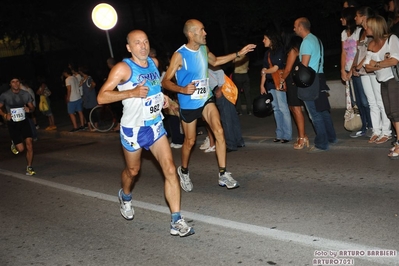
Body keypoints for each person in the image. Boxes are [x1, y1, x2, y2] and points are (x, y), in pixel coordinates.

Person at [97, 29, 194, 236]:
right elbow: (101, 97)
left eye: (146, 42)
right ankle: (125, 195)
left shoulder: (154, 63)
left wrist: (162, 100)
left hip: (155, 125)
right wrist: (131, 92)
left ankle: (176, 220)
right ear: (129, 48)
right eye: (137, 43)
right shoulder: (122, 68)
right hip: (132, 130)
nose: (143, 46)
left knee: (169, 169)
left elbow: (154, 88)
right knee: (133, 171)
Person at [161, 19, 256, 192]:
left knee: (219, 131)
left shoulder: (204, 50)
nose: (205, 33)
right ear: (191, 34)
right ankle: (183, 170)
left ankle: (223, 174)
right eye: (202, 30)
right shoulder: (180, 55)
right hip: (189, 103)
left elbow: (217, 61)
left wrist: (238, 53)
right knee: (189, 142)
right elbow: (166, 81)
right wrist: (182, 89)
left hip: (206, 98)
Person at [293, 17, 337, 152]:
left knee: (314, 113)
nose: (294, 29)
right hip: (320, 77)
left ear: (301, 27)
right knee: (322, 110)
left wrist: (296, 68)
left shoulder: (306, 42)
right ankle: (331, 137)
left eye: (295, 26)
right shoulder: (316, 39)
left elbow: (304, 64)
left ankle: (322, 143)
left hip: (310, 81)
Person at [354, 7, 391, 145]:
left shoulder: (378, 37)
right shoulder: (362, 33)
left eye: (357, 16)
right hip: (364, 71)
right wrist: (356, 66)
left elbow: (370, 57)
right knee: (371, 102)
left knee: (380, 101)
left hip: (375, 71)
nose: (354, 18)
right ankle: (376, 130)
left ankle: (386, 131)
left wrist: (362, 65)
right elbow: (360, 54)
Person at [364, 15, 399, 158]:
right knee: (390, 112)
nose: (365, 28)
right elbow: (367, 67)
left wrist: (376, 64)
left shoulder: (392, 39)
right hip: (382, 81)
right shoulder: (371, 44)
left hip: (393, 79)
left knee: (396, 112)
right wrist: (383, 62)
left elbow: (395, 61)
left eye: (368, 26)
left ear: (375, 27)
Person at [340, 7, 371, 138]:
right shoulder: (343, 33)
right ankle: (363, 125)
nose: (341, 19)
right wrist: (342, 69)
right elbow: (343, 53)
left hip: (358, 69)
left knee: (364, 100)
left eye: (342, 17)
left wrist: (353, 69)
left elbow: (359, 52)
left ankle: (371, 125)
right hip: (349, 69)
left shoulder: (358, 32)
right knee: (356, 100)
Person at [260, 28, 292, 143]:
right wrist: (262, 85)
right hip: (270, 84)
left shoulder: (280, 51)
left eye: (265, 38)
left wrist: (265, 72)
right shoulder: (267, 53)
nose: (263, 41)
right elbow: (265, 69)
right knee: (276, 109)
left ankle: (287, 135)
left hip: (279, 83)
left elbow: (275, 68)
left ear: (272, 39)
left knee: (283, 108)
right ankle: (279, 134)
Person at [0, 78, 36, 175]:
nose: (15, 83)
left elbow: (32, 108)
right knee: (21, 149)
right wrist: (4, 115)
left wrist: (30, 109)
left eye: (17, 81)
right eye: (13, 82)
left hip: (24, 122)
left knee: (30, 144)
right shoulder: (5, 95)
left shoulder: (25, 94)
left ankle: (29, 167)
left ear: (19, 83)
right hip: (13, 123)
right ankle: (14, 142)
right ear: (10, 84)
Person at [281, 33, 309, 149]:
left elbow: (287, 69)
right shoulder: (298, 49)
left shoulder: (293, 50)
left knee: (296, 109)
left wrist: (281, 80)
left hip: (293, 82)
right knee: (293, 108)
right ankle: (303, 135)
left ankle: (302, 138)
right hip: (294, 81)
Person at [209, 66, 245, 152]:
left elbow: (220, 71)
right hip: (225, 90)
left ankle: (231, 144)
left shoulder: (207, 63)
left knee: (226, 119)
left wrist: (220, 89)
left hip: (221, 90)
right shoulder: (208, 62)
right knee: (232, 117)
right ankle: (239, 141)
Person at [62, 68, 85, 132]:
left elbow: (69, 89)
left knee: (71, 113)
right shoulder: (74, 78)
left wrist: (68, 97)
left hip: (72, 98)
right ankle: (82, 125)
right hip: (78, 96)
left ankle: (75, 127)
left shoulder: (67, 79)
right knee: (80, 111)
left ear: (66, 73)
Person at [79, 66, 98, 131]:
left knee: (92, 113)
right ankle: (91, 127)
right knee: (87, 113)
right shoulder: (84, 79)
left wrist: (90, 90)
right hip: (86, 99)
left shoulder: (89, 78)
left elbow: (93, 84)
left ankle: (95, 127)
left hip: (90, 99)